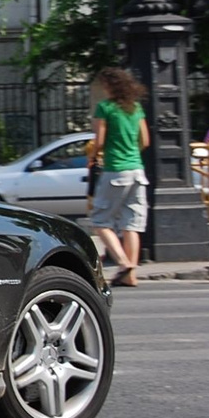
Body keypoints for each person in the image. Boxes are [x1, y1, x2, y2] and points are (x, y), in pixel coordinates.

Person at [90, 66, 150, 288]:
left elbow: (100, 141)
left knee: (100, 221)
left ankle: (124, 264)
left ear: (109, 86)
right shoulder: (135, 108)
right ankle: (129, 275)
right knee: (131, 224)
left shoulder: (105, 108)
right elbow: (144, 141)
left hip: (115, 169)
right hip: (137, 170)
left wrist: (94, 156)